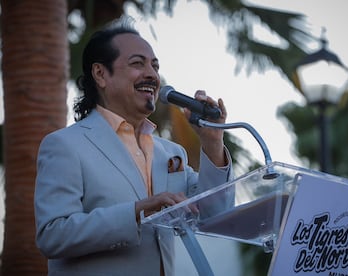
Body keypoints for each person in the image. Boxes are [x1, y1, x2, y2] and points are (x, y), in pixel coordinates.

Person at [34, 19, 233, 276]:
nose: (152, 74)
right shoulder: (65, 145)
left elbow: (215, 213)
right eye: (137, 63)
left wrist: (213, 141)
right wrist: (138, 212)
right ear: (100, 74)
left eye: (155, 65)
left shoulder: (172, 153)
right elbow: (53, 235)